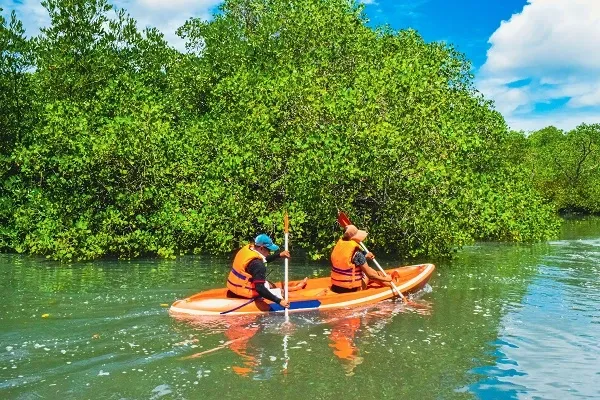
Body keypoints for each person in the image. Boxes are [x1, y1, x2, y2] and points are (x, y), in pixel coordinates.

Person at [226, 234, 307, 308]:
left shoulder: (249, 249)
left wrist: (279, 255)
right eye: (269, 250)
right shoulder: (258, 265)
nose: (270, 252)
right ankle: (300, 296)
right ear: (261, 248)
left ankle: (297, 287)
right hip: (246, 293)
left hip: (235, 287)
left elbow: (263, 259)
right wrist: (279, 301)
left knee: (271, 285)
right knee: (281, 292)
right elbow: (260, 289)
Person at [330, 225, 392, 293]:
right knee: (371, 271)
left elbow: (350, 261)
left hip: (335, 287)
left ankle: (386, 282)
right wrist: (385, 279)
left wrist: (365, 256)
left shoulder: (339, 248)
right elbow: (370, 275)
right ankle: (390, 284)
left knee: (369, 272)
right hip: (351, 290)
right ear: (354, 238)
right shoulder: (358, 255)